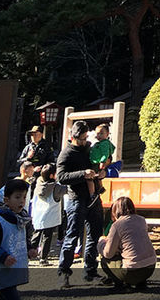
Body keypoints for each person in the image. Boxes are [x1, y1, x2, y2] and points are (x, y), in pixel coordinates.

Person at [56, 120, 104, 288]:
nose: (83, 142)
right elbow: (60, 177)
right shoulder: (66, 153)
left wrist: (100, 172)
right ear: (72, 137)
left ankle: (90, 272)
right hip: (76, 198)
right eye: (80, 139)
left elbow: (97, 165)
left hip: (94, 196)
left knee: (94, 235)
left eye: (85, 138)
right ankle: (64, 271)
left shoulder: (90, 149)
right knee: (72, 236)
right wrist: (82, 174)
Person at [0, 178, 37, 300]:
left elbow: (23, 239)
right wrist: (3, 257)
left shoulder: (21, 219)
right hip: (3, 266)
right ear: (6, 200)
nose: (22, 201)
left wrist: (29, 249)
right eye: (17, 197)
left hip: (14, 265)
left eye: (24, 197)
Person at [97, 196, 156, 291]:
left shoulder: (117, 225)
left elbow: (108, 253)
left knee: (104, 260)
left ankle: (120, 284)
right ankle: (141, 283)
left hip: (131, 271)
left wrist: (101, 243)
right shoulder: (141, 220)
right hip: (150, 267)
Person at [30, 163, 63, 265]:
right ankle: (43, 258)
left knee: (36, 234)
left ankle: (29, 253)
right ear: (52, 175)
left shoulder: (39, 183)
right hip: (50, 216)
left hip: (39, 213)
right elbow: (68, 190)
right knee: (47, 237)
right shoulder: (56, 188)